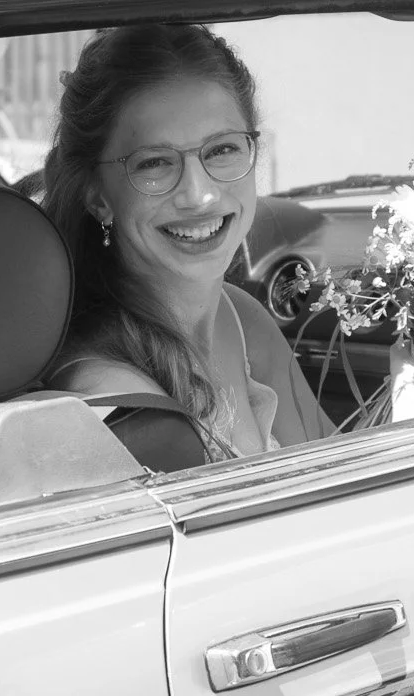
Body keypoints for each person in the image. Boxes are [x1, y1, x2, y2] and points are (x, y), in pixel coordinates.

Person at [40, 23, 332, 460]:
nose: (201, 195)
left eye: (222, 150)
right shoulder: (114, 399)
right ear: (98, 198)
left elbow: (339, 472)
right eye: (154, 163)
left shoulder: (242, 319)